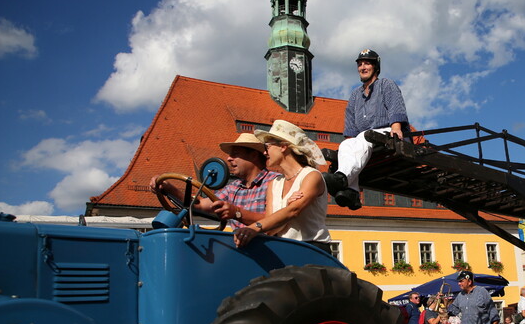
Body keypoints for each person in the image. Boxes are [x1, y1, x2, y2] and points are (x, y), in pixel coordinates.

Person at [322, 49, 410, 210]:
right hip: (366, 139)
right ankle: (352, 192)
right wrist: (349, 146)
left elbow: (395, 106)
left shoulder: (386, 84)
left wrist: (396, 127)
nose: (363, 67)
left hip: (387, 133)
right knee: (345, 145)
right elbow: (350, 127)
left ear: (376, 67)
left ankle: (342, 180)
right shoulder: (355, 95)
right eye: (360, 64)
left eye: (367, 63)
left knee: (365, 135)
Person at [232, 120, 331, 254]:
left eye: (267, 147)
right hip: (284, 248)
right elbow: (270, 229)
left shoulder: (311, 176)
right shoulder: (274, 183)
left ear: (283, 146)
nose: (265, 153)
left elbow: (294, 210)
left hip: (312, 249)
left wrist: (254, 228)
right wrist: (286, 208)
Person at [150, 133, 279, 231]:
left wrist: (237, 213)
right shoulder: (233, 188)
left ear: (254, 155)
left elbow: (277, 221)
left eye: (235, 154)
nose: (229, 158)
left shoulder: (276, 182)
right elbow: (198, 204)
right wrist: (168, 187)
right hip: (239, 247)